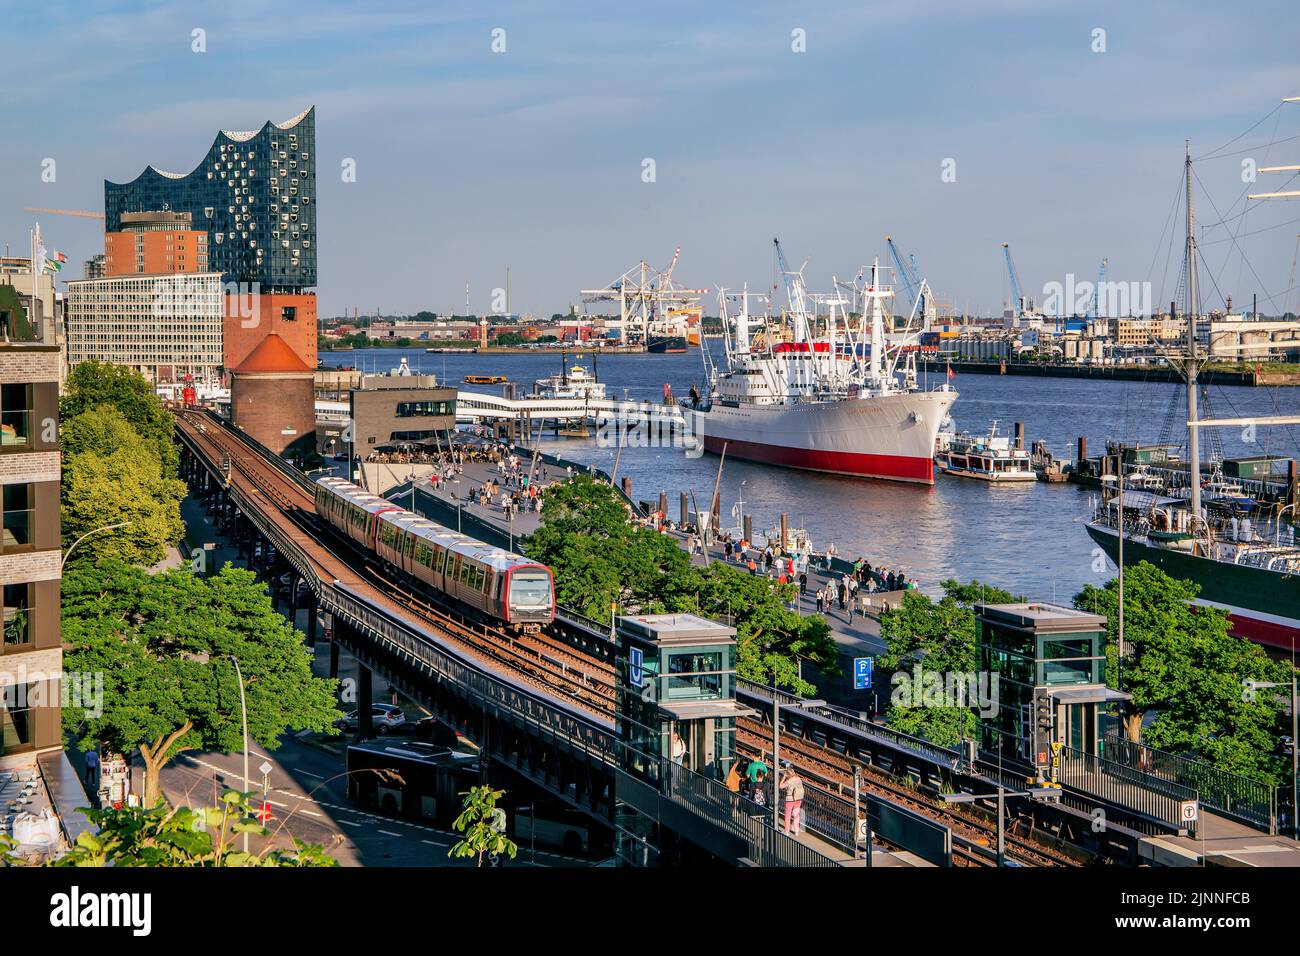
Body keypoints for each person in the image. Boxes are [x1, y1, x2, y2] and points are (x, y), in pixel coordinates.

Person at [781, 766, 805, 835]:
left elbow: (781, 786)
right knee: (796, 815)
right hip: (798, 799)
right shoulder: (798, 779)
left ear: (787, 774)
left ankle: (786, 831)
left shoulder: (788, 781)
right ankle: (796, 830)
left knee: (787, 816)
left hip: (790, 800)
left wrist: (783, 778)